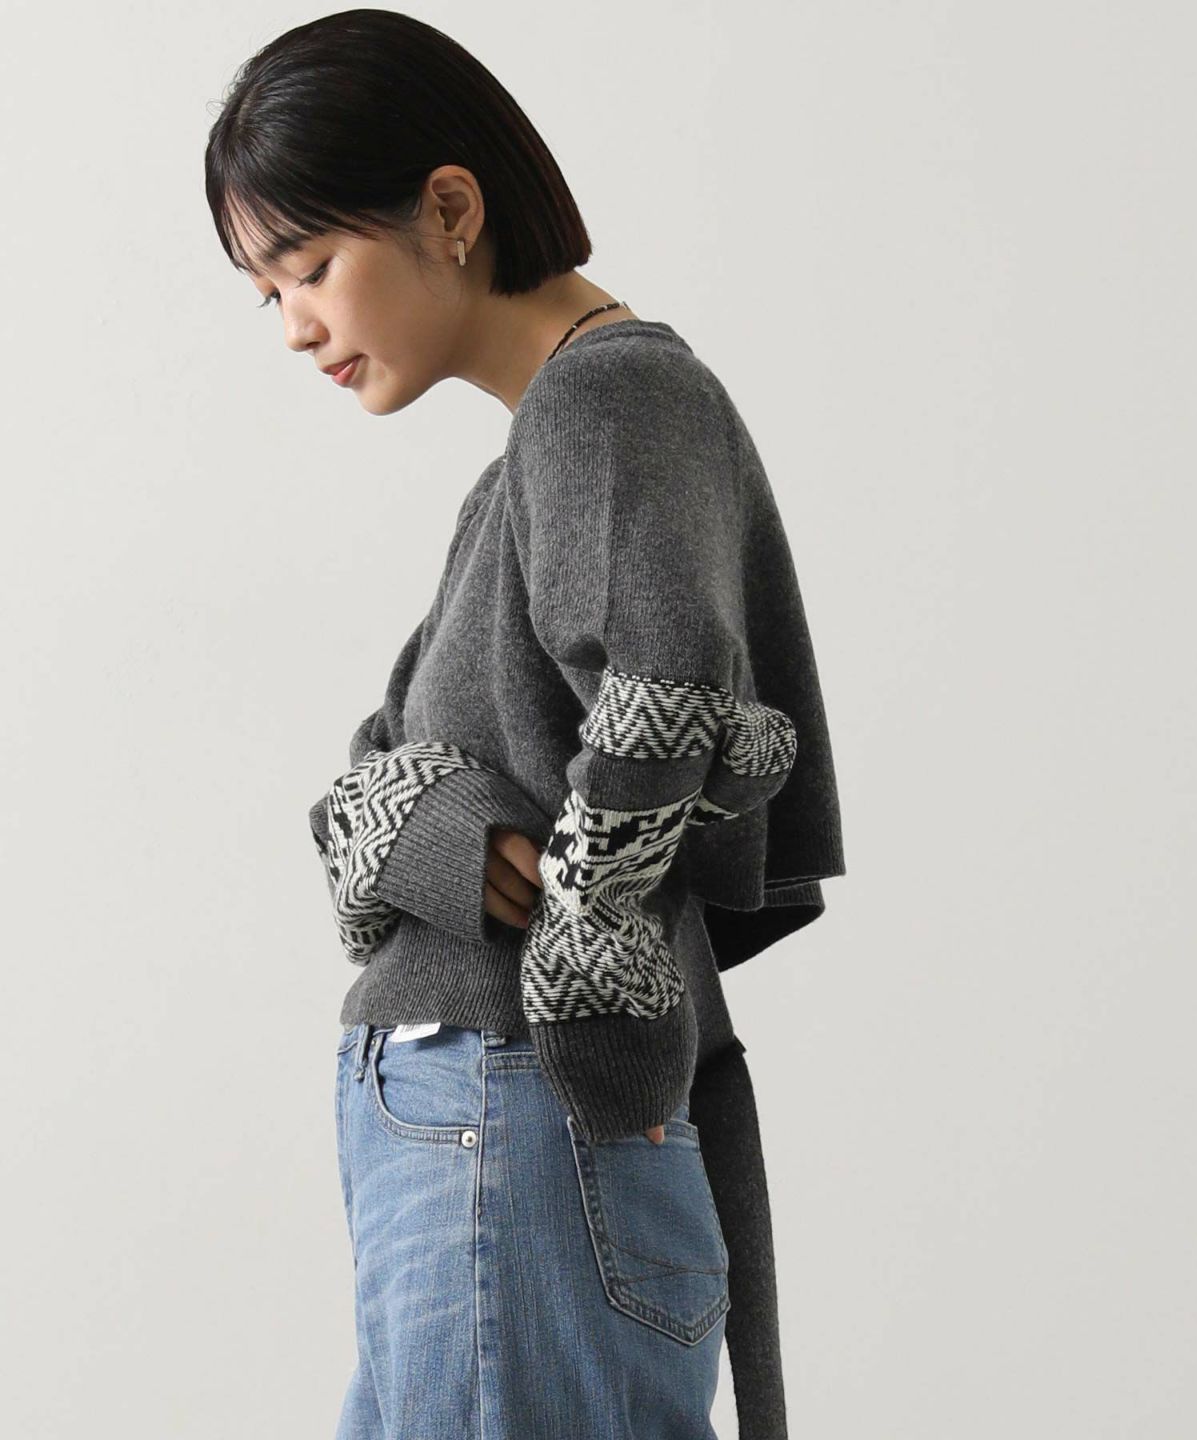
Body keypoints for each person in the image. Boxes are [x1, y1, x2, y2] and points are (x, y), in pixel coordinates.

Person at [205, 12, 845, 1439]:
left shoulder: (613, 397)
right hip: (486, 1122)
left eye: (311, 266)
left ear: (449, 209)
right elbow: (364, 779)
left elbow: (667, 716)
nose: (296, 324)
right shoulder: (518, 473)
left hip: (519, 1109)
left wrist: (482, 853)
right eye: (267, 293)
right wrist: (440, 824)